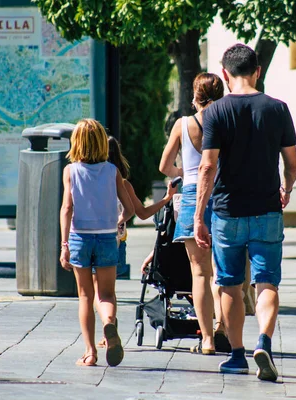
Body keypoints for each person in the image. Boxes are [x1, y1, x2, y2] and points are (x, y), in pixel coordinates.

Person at [194, 44, 296, 382]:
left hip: (227, 211)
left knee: (229, 284)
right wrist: (287, 187)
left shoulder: (215, 113)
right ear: (257, 71)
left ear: (225, 75)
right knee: (267, 280)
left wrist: (199, 215)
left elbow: (208, 166)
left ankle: (237, 355)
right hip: (267, 208)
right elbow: (293, 162)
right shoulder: (278, 109)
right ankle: (264, 341)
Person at [159, 72, 230, 355]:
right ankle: (224, 327)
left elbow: (165, 165)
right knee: (223, 273)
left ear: (195, 96)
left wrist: (181, 174)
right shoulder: (226, 124)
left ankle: (207, 341)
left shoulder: (183, 125)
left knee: (199, 274)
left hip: (191, 197)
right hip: (223, 197)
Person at [59, 118, 135, 367]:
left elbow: (67, 208)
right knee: (106, 294)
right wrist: (117, 221)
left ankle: (90, 353)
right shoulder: (112, 171)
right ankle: (109, 325)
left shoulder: (70, 171)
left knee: (84, 296)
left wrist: (64, 245)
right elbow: (130, 207)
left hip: (80, 236)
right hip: (106, 237)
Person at [95, 136, 178, 348]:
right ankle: (109, 328)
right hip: (117, 243)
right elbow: (141, 213)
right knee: (108, 290)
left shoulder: (92, 179)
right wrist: (167, 199)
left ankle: (107, 326)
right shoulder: (124, 184)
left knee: (96, 291)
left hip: (94, 237)